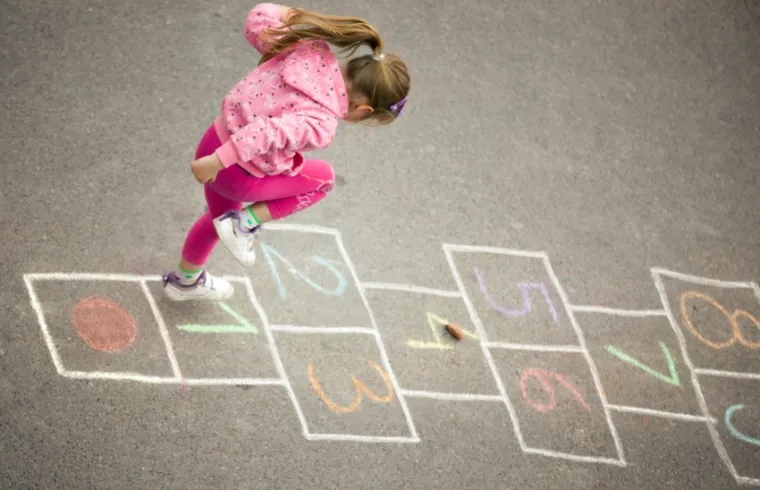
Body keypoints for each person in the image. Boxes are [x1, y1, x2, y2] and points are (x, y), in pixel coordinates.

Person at [161, 3, 410, 301]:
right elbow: (267, 131)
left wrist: (292, 14)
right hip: (236, 171)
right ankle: (245, 225)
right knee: (324, 180)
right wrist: (218, 162)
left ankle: (185, 282)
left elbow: (257, 21)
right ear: (363, 108)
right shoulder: (322, 122)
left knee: (218, 221)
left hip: (213, 140)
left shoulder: (309, 50)